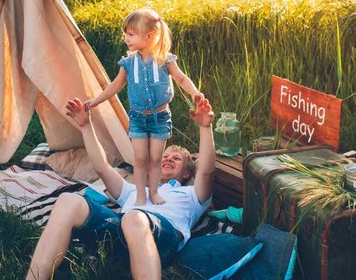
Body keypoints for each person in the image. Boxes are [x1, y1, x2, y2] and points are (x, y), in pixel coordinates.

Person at [26, 97, 216, 280]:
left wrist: (205, 127)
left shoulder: (191, 195)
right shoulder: (135, 190)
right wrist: (86, 126)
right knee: (69, 201)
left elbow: (206, 172)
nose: (168, 159)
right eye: (165, 156)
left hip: (162, 241)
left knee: (134, 217)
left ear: (186, 174)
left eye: (176, 159)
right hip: (120, 238)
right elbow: (102, 168)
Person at [84, 8, 204, 206]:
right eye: (125, 35)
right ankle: (141, 194)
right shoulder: (128, 63)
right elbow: (114, 85)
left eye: (130, 35)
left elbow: (181, 78)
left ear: (150, 36)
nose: (126, 39)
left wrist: (195, 92)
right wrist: (95, 101)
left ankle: (154, 192)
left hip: (160, 119)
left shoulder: (165, 60)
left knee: (156, 160)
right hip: (138, 119)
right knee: (140, 160)